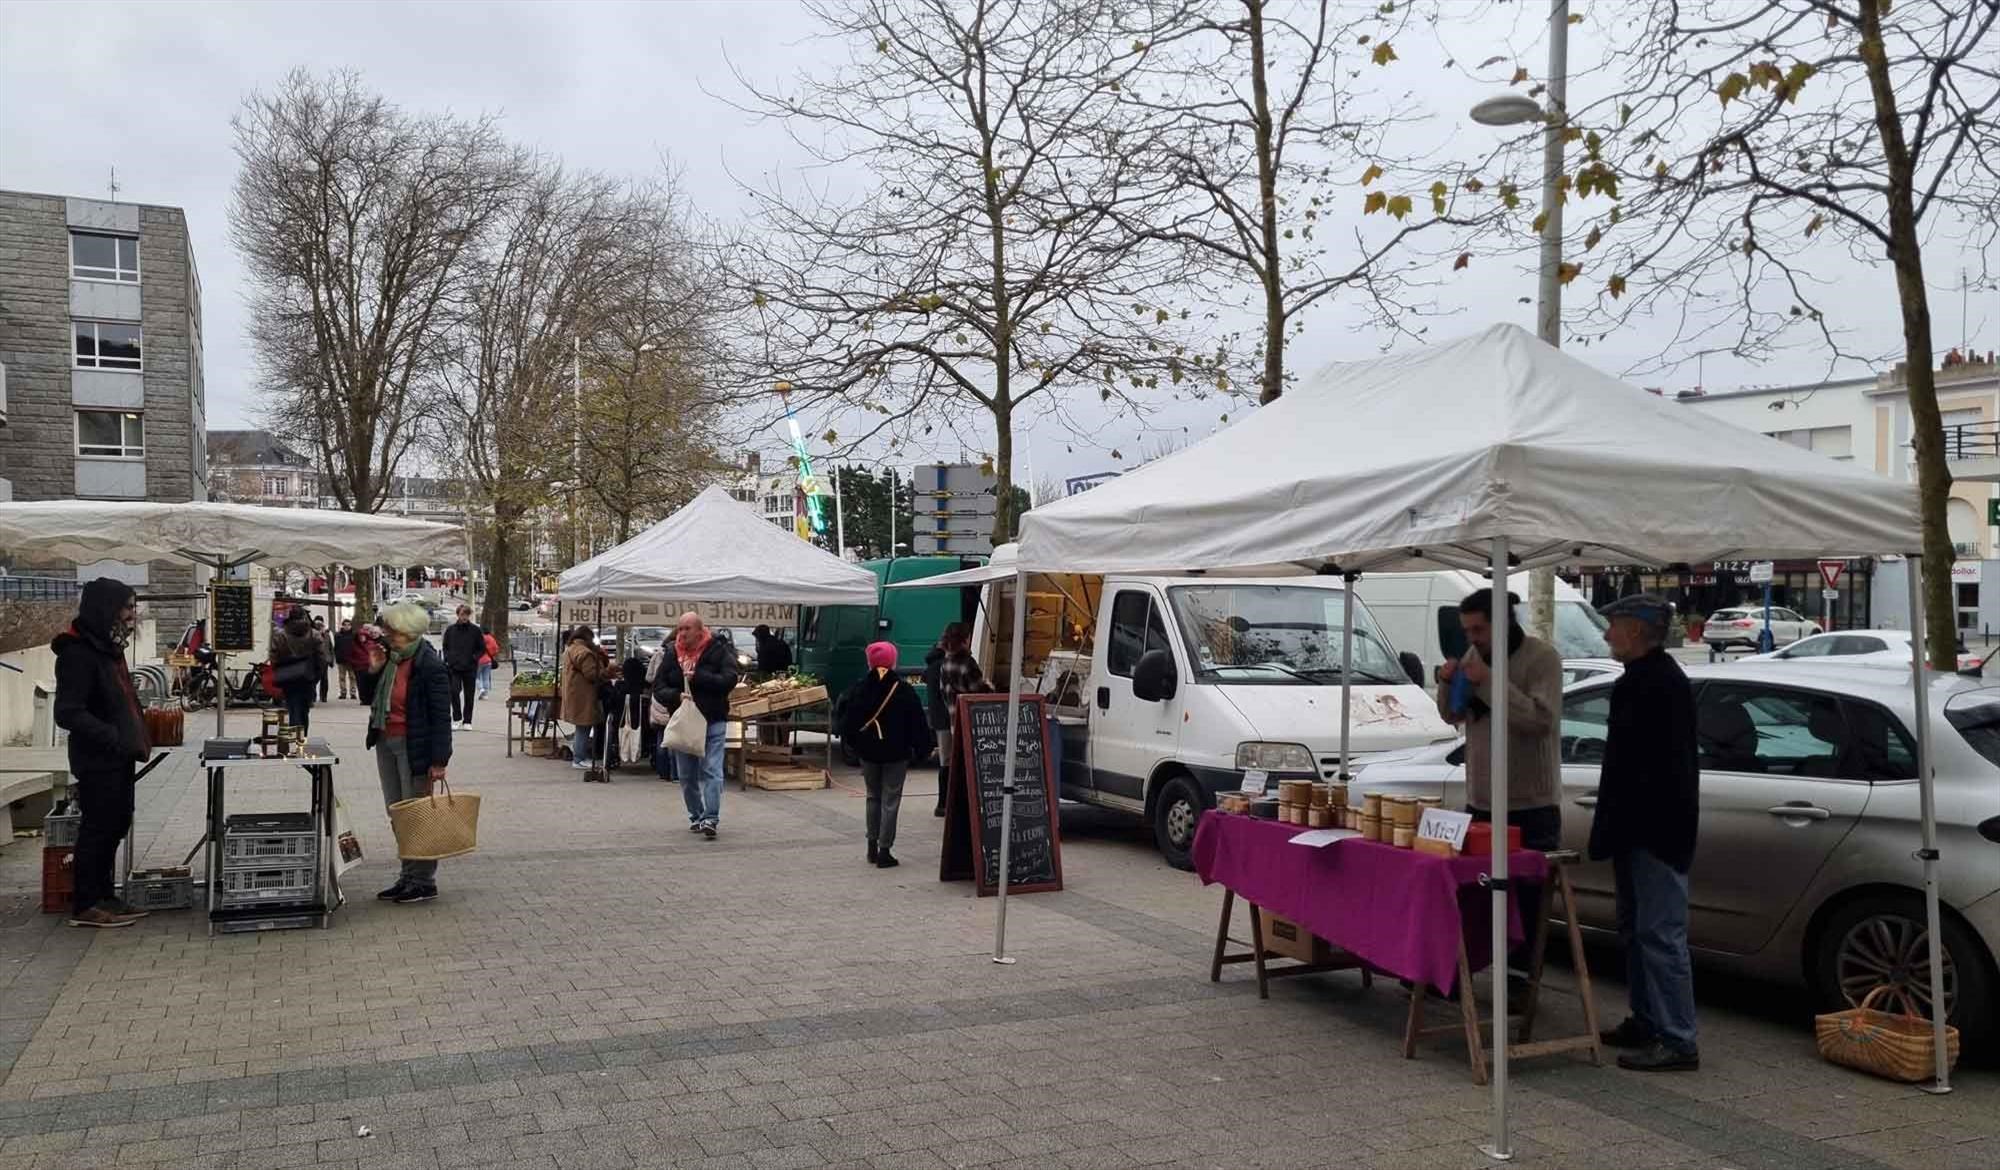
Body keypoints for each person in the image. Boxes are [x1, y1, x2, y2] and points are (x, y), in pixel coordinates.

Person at [1591, 593, 1701, 1072]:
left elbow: (1649, 770)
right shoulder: (1643, 679)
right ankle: (1647, 1019)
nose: (1606, 634)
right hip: (1637, 830)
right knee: (1637, 931)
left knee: (1658, 933)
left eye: (1613, 625)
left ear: (1635, 630)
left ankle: (1678, 1039)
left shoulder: (1658, 683)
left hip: (1656, 831)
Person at [51, 579, 152, 928]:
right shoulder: (78, 654)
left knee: (117, 822)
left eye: (132, 607)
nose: (131, 615)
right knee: (98, 827)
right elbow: (68, 712)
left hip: (119, 754)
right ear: (105, 609)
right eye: (126, 608)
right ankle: (86, 902)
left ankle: (105, 894)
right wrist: (111, 734)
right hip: (97, 757)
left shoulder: (109, 649)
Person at [1435, 589, 1564, 850]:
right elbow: (1453, 715)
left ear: (1503, 623)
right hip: (1481, 803)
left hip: (1530, 807)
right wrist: (1446, 684)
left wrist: (1488, 680)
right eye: (1467, 631)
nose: (1472, 638)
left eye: (1479, 629)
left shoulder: (1542, 658)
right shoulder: (1473, 655)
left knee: (1526, 877)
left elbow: (1540, 721)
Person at [362, 602, 454, 904]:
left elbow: (441, 717)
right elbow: (369, 698)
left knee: (416, 815)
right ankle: (408, 875)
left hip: (413, 746)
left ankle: (423, 880)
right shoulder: (392, 659)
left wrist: (439, 761)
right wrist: (373, 669)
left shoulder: (429, 665)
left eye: (394, 631)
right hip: (385, 739)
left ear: (410, 632)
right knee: (397, 812)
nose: (387, 635)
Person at [838, 642, 932, 868]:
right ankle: (884, 850)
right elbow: (918, 723)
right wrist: (922, 750)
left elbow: (847, 721)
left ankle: (871, 845)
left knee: (873, 796)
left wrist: (856, 746)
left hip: (868, 753)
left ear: (869, 662)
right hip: (896, 753)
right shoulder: (903, 689)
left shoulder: (859, 688)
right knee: (891, 799)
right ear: (893, 661)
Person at [653, 611, 740, 839]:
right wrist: (676, 696)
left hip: (712, 719)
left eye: (687, 629)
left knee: (712, 770)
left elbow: (730, 679)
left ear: (700, 630)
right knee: (686, 775)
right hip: (684, 722)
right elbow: (658, 687)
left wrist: (699, 677)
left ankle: (711, 818)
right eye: (680, 628)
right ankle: (696, 816)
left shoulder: (718, 649)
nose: (682, 634)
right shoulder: (672, 653)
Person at [933, 622, 987, 815]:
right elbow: (981, 691)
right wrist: (992, 686)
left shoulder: (945, 662)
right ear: (964, 639)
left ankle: (946, 804)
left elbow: (943, 692)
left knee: (949, 762)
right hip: (970, 721)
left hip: (953, 718)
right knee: (968, 766)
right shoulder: (967, 663)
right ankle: (966, 806)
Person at [560, 625, 607, 770]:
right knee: (584, 727)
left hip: (574, 694)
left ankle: (579, 756)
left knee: (581, 728)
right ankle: (579, 758)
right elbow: (591, 674)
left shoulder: (571, 648)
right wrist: (606, 672)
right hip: (583, 695)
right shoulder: (584, 652)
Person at [269, 608, 321, 733]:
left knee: (292, 707)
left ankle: (294, 735)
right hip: (308, 677)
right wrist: (316, 676)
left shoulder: (281, 634)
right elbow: (321, 657)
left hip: (288, 676)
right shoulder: (314, 634)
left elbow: (274, 656)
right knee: (304, 709)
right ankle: (302, 736)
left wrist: (278, 670)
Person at [922, 636, 952, 816]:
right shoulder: (942, 666)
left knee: (945, 761)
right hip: (947, 719)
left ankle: (942, 804)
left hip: (938, 720)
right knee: (947, 762)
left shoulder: (932, 665)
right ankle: (943, 804)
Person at [441, 605, 485, 729]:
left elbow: (481, 648)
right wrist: (448, 658)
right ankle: (457, 718)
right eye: (462, 614)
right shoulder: (451, 630)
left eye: (467, 615)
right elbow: (445, 646)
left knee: (469, 695)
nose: (464, 617)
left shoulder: (475, 630)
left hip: (470, 667)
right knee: (454, 691)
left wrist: (474, 658)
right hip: (454, 667)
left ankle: (467, 721)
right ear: (458, 615)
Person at [333, 619, 358, 701]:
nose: (347, 626)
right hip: (341, 659)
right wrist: (337, 657)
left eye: (348, 625)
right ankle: (343, 692)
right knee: (342, 677)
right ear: (342, 626)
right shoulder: (338, 635)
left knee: (353, 677)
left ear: (351, 626)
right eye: (345, 625)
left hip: (352, 659)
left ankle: (353, 693)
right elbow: (336, 647)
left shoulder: (354, 635)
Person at [312, 616, 333, 703]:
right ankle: (313, 696)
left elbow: (330, 647)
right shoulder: (312, 635)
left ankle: (323, 696)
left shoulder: (327, 635)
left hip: (324, 660)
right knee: (314, 679)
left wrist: (331, 659)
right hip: (315, 660)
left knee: (324, 679)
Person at [478, 629, 500, 699]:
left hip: (479, 660)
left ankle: (481, 689)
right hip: (488, 660)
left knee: (477, 677)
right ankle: (485, 695)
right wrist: (491, 654)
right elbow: (496, 649)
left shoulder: (480, 638)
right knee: (486, 678)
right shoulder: (492, 639)